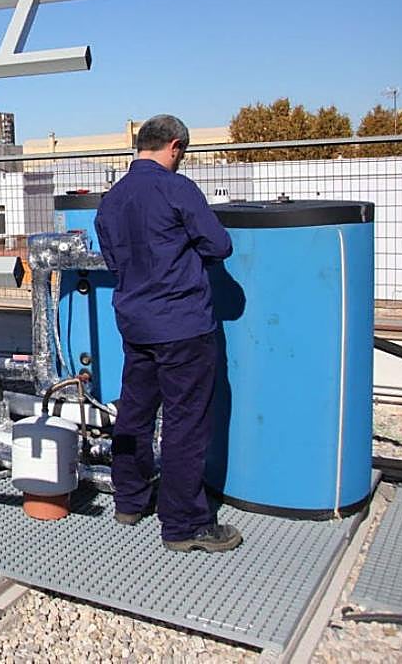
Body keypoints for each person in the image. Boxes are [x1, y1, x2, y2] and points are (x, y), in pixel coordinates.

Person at [94, 114, 241, 552]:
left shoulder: (112, 198)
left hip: (136, 322)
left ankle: (129, 500)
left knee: (135, 412)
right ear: (174, 146)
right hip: (182, 325)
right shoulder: (177, 188)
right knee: (185, 423)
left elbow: (114, 261)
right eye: (182, 154)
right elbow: (219, 245)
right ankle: (184, 524)